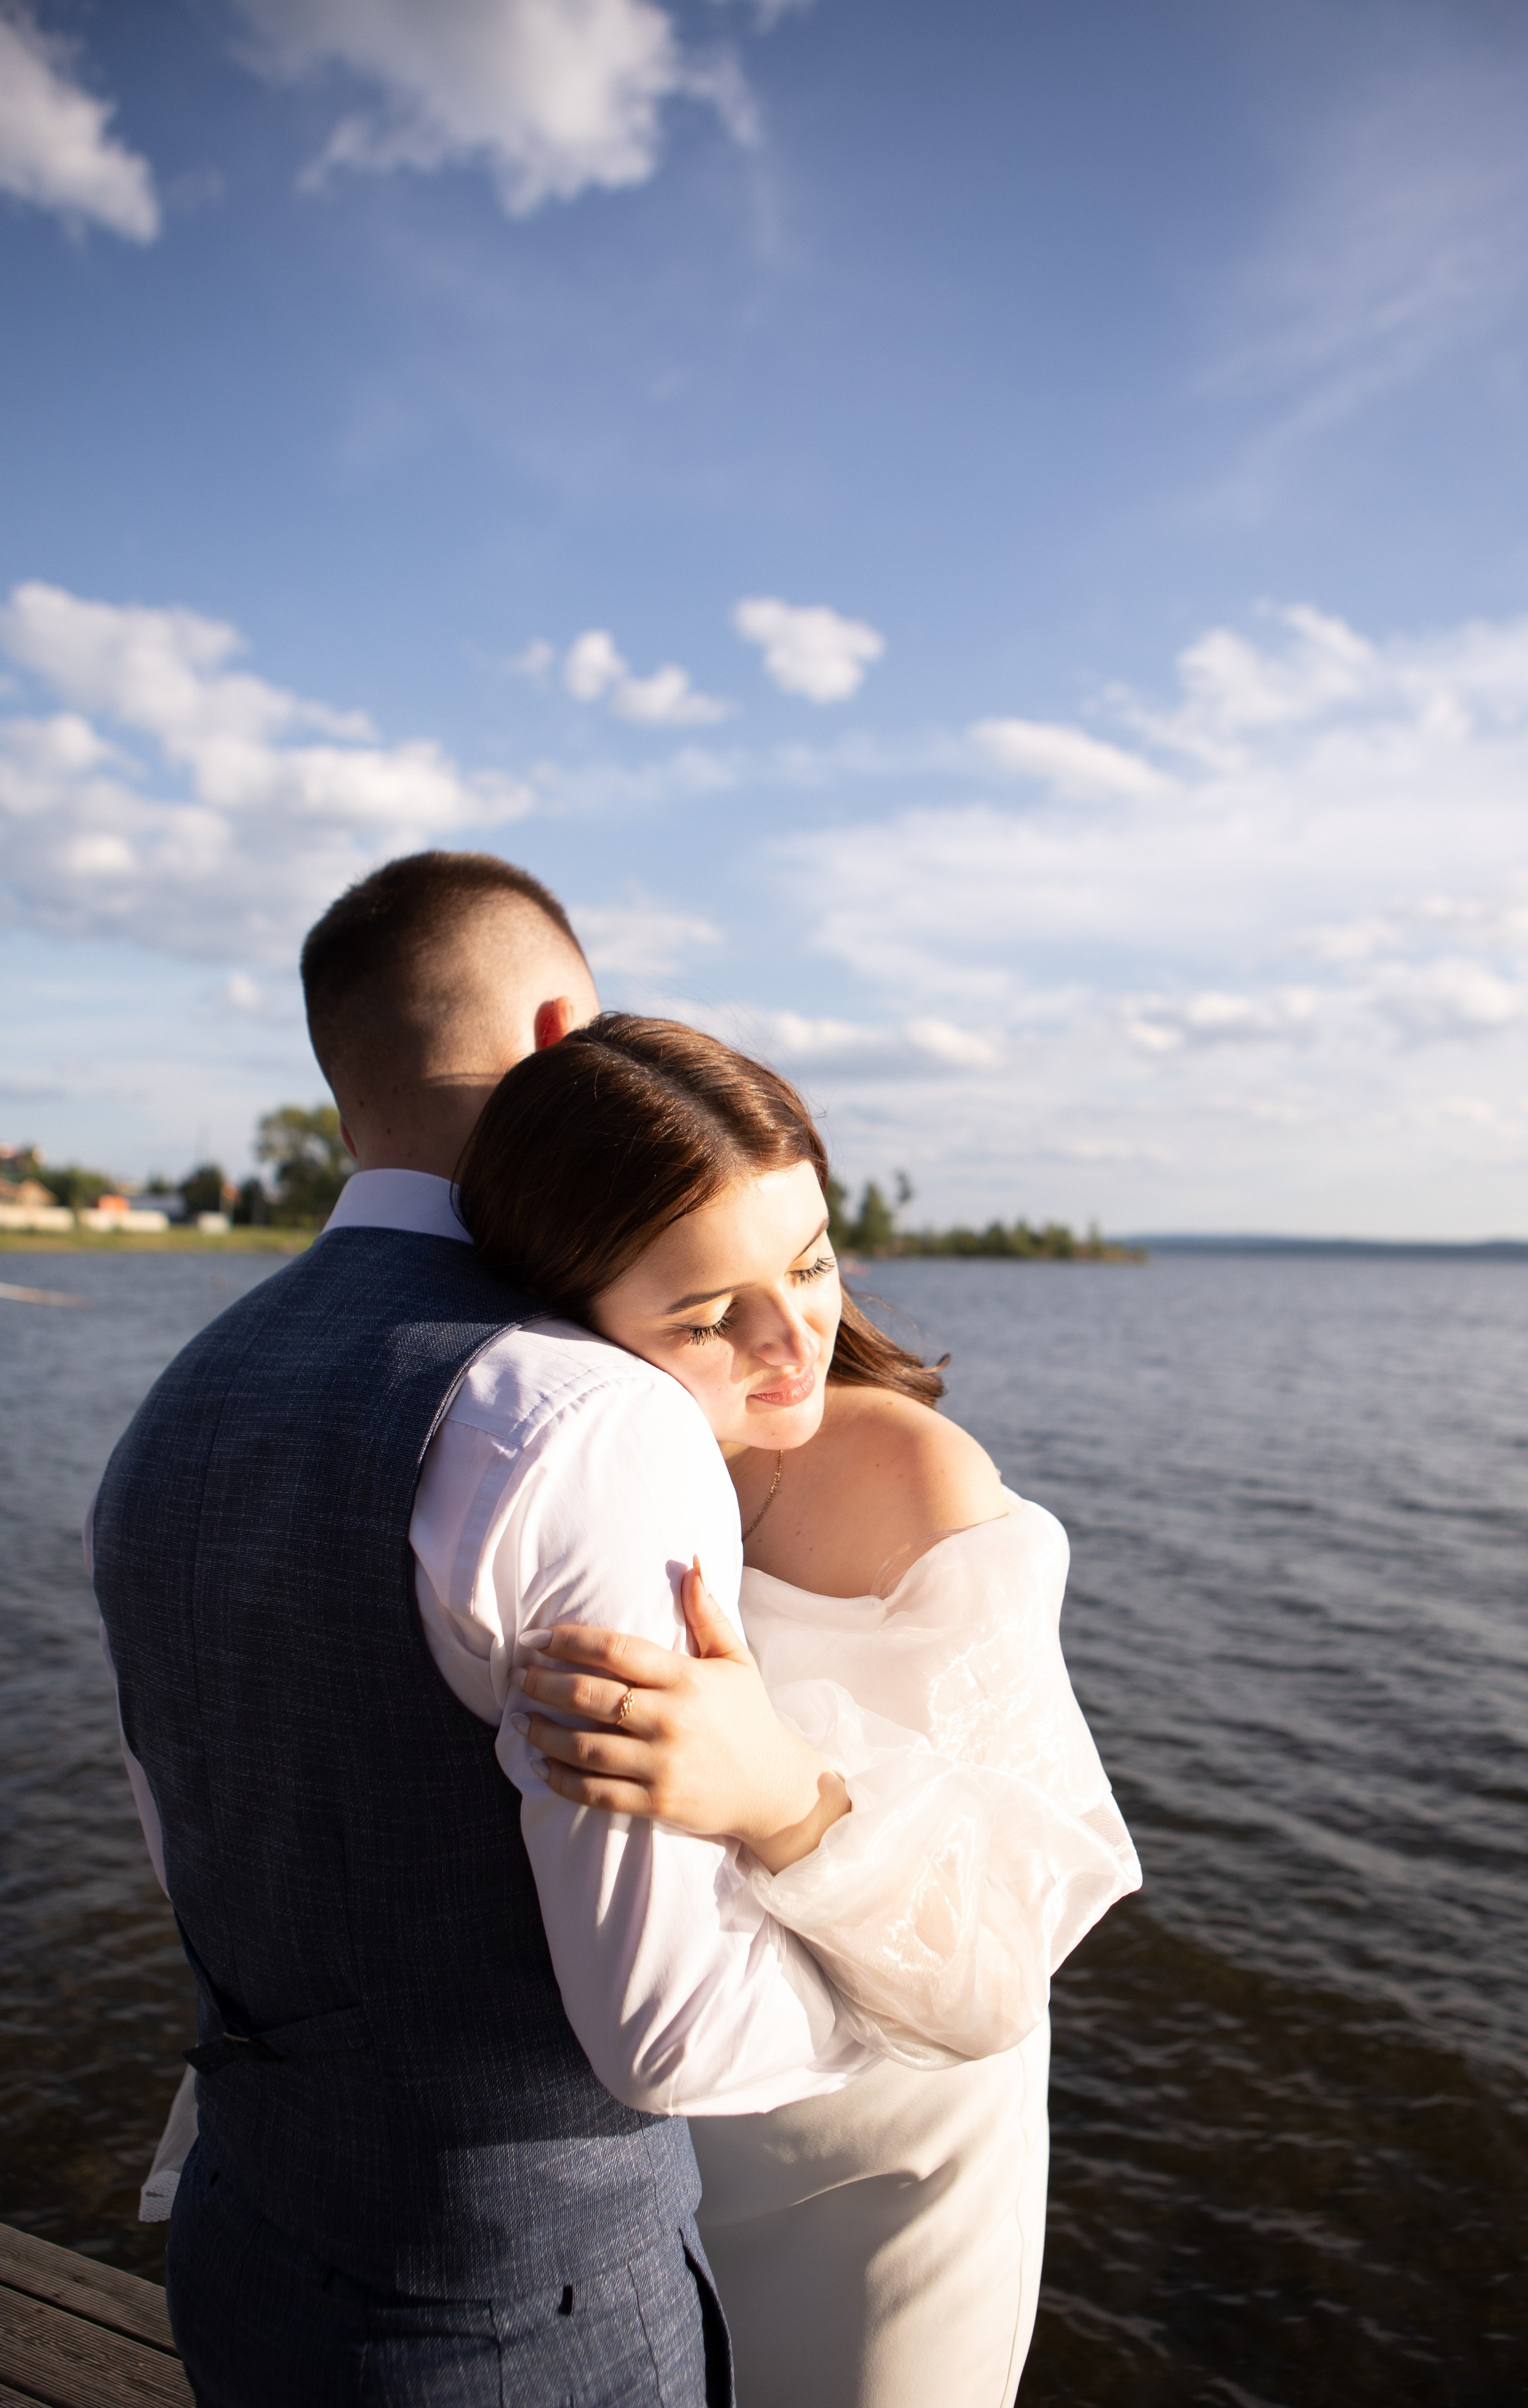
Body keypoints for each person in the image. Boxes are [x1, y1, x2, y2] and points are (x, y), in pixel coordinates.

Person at [95, 853, 886, 2408]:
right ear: (557, 1037)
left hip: (243, 2248)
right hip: (521, 2326)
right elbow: (672, 2036)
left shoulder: (175, 1406)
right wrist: (902, 1973)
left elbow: (205, 1845)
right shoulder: (582, 1416)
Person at [448, 1013, 1142, 2408]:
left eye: (812, 1260)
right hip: (652, 2161)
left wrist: (780, 1792)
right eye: (708, 1314)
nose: (790, 1340)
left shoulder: (911, 1480)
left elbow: (996, 1970)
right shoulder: (552, 1471)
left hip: (887, 2177)